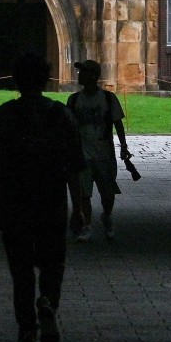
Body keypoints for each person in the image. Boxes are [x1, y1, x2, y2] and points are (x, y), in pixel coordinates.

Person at [0, 53, 86, 342]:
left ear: (14, 80)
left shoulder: (4, 115)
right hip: (51, 200)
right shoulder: (61, 115)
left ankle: (26, 331)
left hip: (14, 201)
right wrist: (77, 208)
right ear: (46, 79)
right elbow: (75, 168)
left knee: (21, 270)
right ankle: (48, 301)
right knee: (54, 262)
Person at [66, 59, 131, 241]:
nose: (79, 75)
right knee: (84, 193)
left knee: (108, 194)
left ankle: (107, 215)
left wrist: (124, 147)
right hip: (82, 154)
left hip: (104, 154)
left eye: (83, 72)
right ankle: (87, 225)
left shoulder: (108, 99)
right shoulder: (74, 100)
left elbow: (117, 124)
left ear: (93, 76)